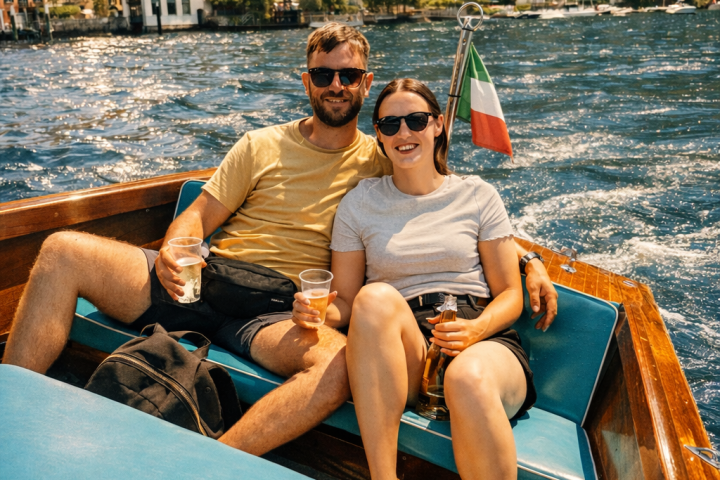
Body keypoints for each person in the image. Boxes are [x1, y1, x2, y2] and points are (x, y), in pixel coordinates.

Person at [3, 24, 555, 457]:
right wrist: (175, 250)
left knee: (342, 366)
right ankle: (12, 411)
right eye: (323, 75)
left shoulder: (385, 152)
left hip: (277, 315)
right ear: (306, 81)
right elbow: (198, 216)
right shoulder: (259, 146)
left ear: (366, 83)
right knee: (61, 252)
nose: (335, 85)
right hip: (205, 280)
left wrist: (527, 257)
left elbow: (450, 201)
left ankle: (216, 459)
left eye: (348, 75)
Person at [292, 79, 535, 479]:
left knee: (466, 377)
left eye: (416, 120)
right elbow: (349, 301)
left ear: (438, 125)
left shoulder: (477, 195)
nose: (404, 133)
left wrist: (475, 330)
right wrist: (315, 312)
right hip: (405, 346)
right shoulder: (359, 203)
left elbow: (510, 294)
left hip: (481, 334)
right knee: (374, 298)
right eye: (390, 125)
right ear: (379, 137)